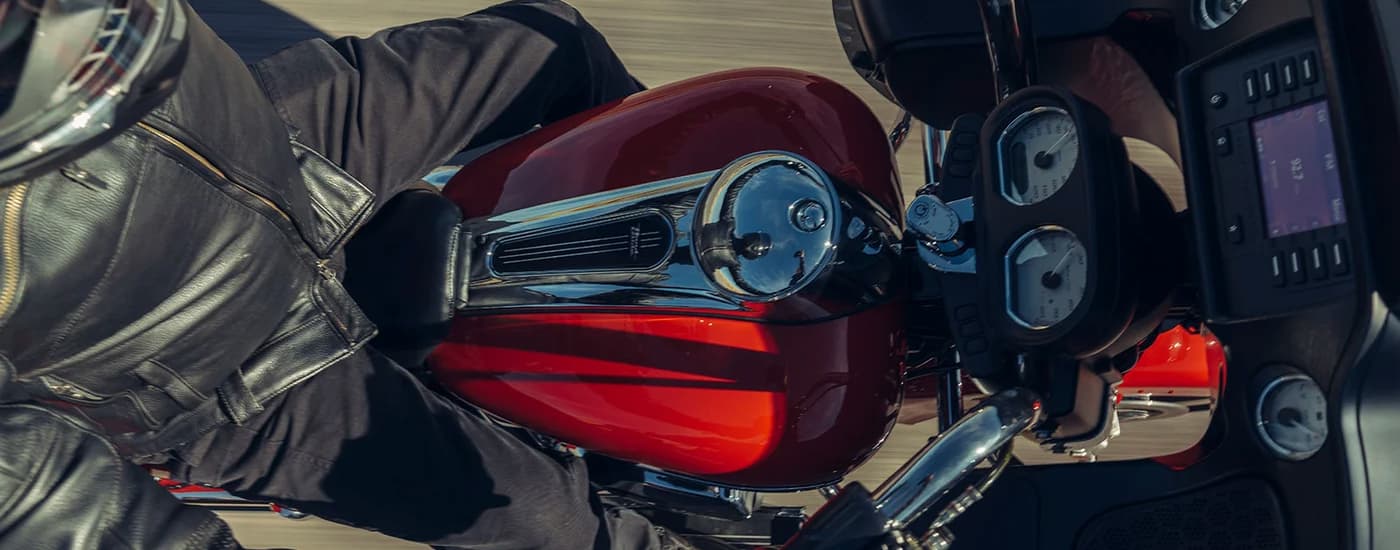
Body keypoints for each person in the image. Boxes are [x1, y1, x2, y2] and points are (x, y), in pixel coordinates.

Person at [0, 0, 698, 548]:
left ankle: (678, 205)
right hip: (222, 372)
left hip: (277, 144)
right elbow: (32, 490)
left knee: (555, 43)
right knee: (549, 520)